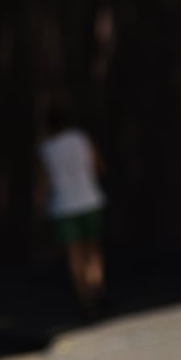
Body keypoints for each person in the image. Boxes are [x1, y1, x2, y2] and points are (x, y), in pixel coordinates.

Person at [38, 103, 108, 317]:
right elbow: (99, 167)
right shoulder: (82, 139)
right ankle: (99, 290)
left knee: (74, 254)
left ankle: (84, 298)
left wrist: (41, 206)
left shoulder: (46, 149)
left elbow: (44, 181)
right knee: (93, 250)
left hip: (64, 205)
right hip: (90, 199)